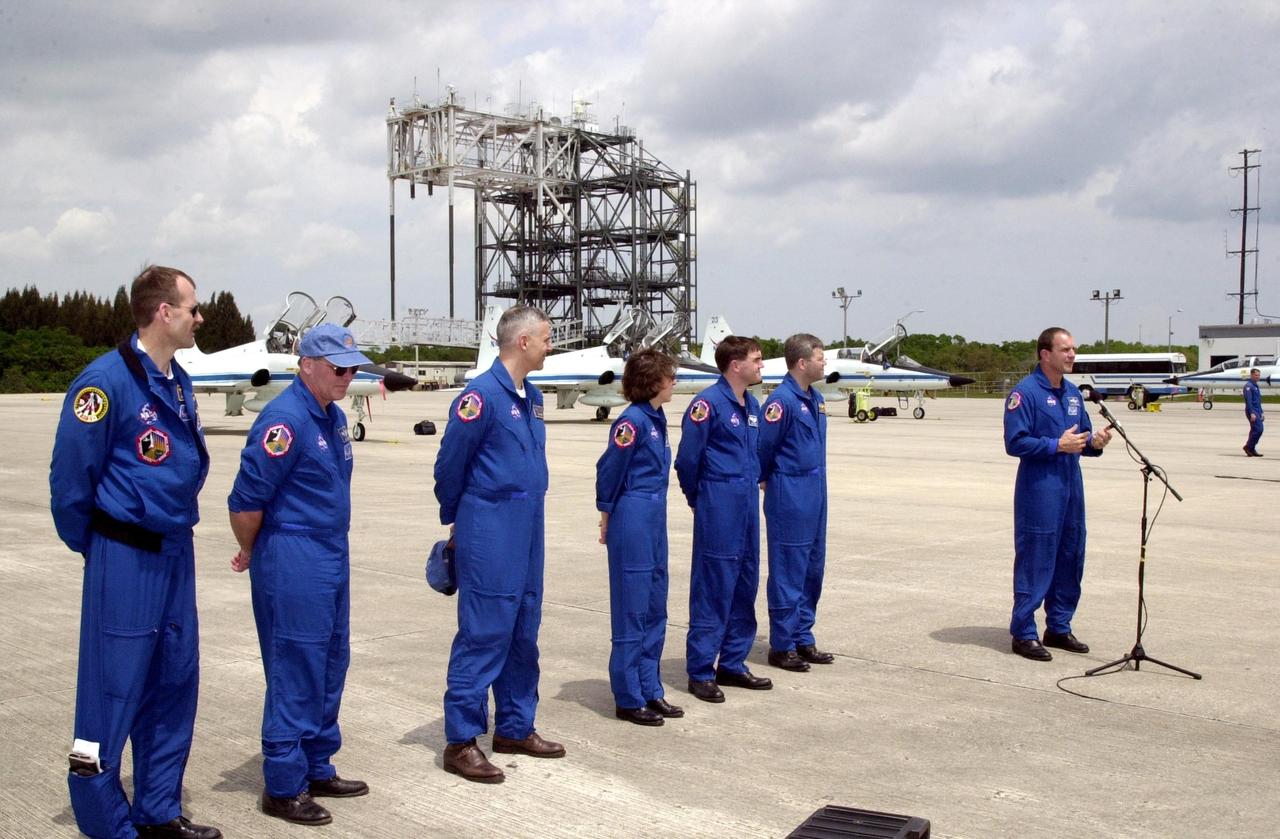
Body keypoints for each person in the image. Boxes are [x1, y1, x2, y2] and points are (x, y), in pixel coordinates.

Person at [50, 265, 220, 839]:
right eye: (192, 307)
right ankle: (103, 822)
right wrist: (102, 550)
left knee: (174, 682)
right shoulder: (104, 383)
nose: (201, 317)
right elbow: (71, 484)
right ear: (163, 312)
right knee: (111, 690)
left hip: (175, 553)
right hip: (124, 558)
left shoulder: (176, 381)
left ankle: (157, 811)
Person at [227, 323, 372, 825]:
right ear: (306, 365)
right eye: (338, 367)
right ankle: (284, 784)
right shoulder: (284, 420)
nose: (348, 376)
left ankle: (315, 764)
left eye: (353, 367)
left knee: (331, 659)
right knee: (295, 664)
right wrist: (252, 552)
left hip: (331, 552)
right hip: (293, 553)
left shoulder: (329, 416)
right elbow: (246, 501)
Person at [433, 305, 565, 783]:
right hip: (489, 524)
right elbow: (450, 465)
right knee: (485, 627)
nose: (552, 346)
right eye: (547, 339)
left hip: (529, 523)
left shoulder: (531, 396)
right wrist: (458, 521)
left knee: (523, 625)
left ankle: (514, 725)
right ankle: (461, 740)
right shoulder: (480, 396)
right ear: (523, 342)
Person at [1003, 327, 1112, 662]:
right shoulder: (1025, 393)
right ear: (1045, 354)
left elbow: (1081, 437)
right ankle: (1023, 632)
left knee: (1070, 553)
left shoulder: (1074, 395)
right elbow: (1015, 442)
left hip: (1070, 487)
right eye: (1064, 349)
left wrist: (1094, 443)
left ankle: (1059, 626)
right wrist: (1055, 445)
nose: (1071, 356)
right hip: (1040, 489)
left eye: (1073, 350)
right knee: (1037, 557)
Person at [675, 335, 772, 702]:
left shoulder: (752, 404)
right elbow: (687, 460)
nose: (761, 366)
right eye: (757, 360)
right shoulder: (707, 404)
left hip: (746, 504)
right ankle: (700, 669)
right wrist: (698, 498)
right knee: (714, 586)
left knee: (745, 582)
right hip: (718, 503)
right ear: (736, 365)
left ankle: (732, 662)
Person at [595, 349, 682, 726]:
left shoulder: (656, 417)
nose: (674, 382)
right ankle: (628, 695)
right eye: (669, 376)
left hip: (654, 514)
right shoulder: (631, 422)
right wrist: (606, 513)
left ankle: (650, 687)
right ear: (652, 381)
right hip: (632, 513)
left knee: (654, 604)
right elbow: (610, 469)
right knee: (632, 605)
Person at [758, 334, 833, 673]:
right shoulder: (781, 402)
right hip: (790, 490)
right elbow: (762, 449)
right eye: (820, 358)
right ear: (802, 362)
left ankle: (803, 635)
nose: (824, 363)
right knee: (789, 567)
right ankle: (783, 644)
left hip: (816, 489)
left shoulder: (814, 398)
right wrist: (768, 481)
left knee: (812, 567)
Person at [1243, 367, 1264, 456]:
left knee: (1254, 430)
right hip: (1252, 411)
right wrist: (1251, 413)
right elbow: (1248, 401)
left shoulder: (1255, 386)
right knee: (1259, 429)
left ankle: (1252, 449)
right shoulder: (1248, 386)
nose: (1258, 377)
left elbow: (1258, 401)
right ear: (1251, 375)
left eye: (1259, 375)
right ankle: (1248, 447)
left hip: (1257, 411)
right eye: (1256, 375)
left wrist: (1262, 412)